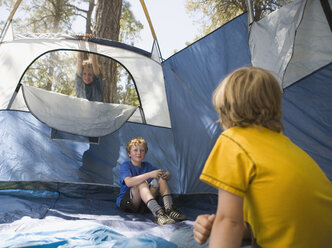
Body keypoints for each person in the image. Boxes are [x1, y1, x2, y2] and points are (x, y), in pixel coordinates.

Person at [193, 67, 332, 247]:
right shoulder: (287, 146)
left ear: (225, 112)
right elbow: (278, 221)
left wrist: (222, 222)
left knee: (185, 238)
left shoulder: (233, 139)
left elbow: (230, 222)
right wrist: (218, 223)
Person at [116, 137, 187, 225]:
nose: (139, 153)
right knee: (142, 182)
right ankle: (158, 214)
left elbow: (164, 174)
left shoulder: (147, 166)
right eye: (135, 150)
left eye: (142, 150)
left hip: (145, 205)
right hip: (130, 203)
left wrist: (167, 175)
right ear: (129, 153)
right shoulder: (126, 165)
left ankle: (169, 209)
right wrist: (149, 175)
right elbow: (128, 182)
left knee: (161, 178)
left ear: (145, 153)